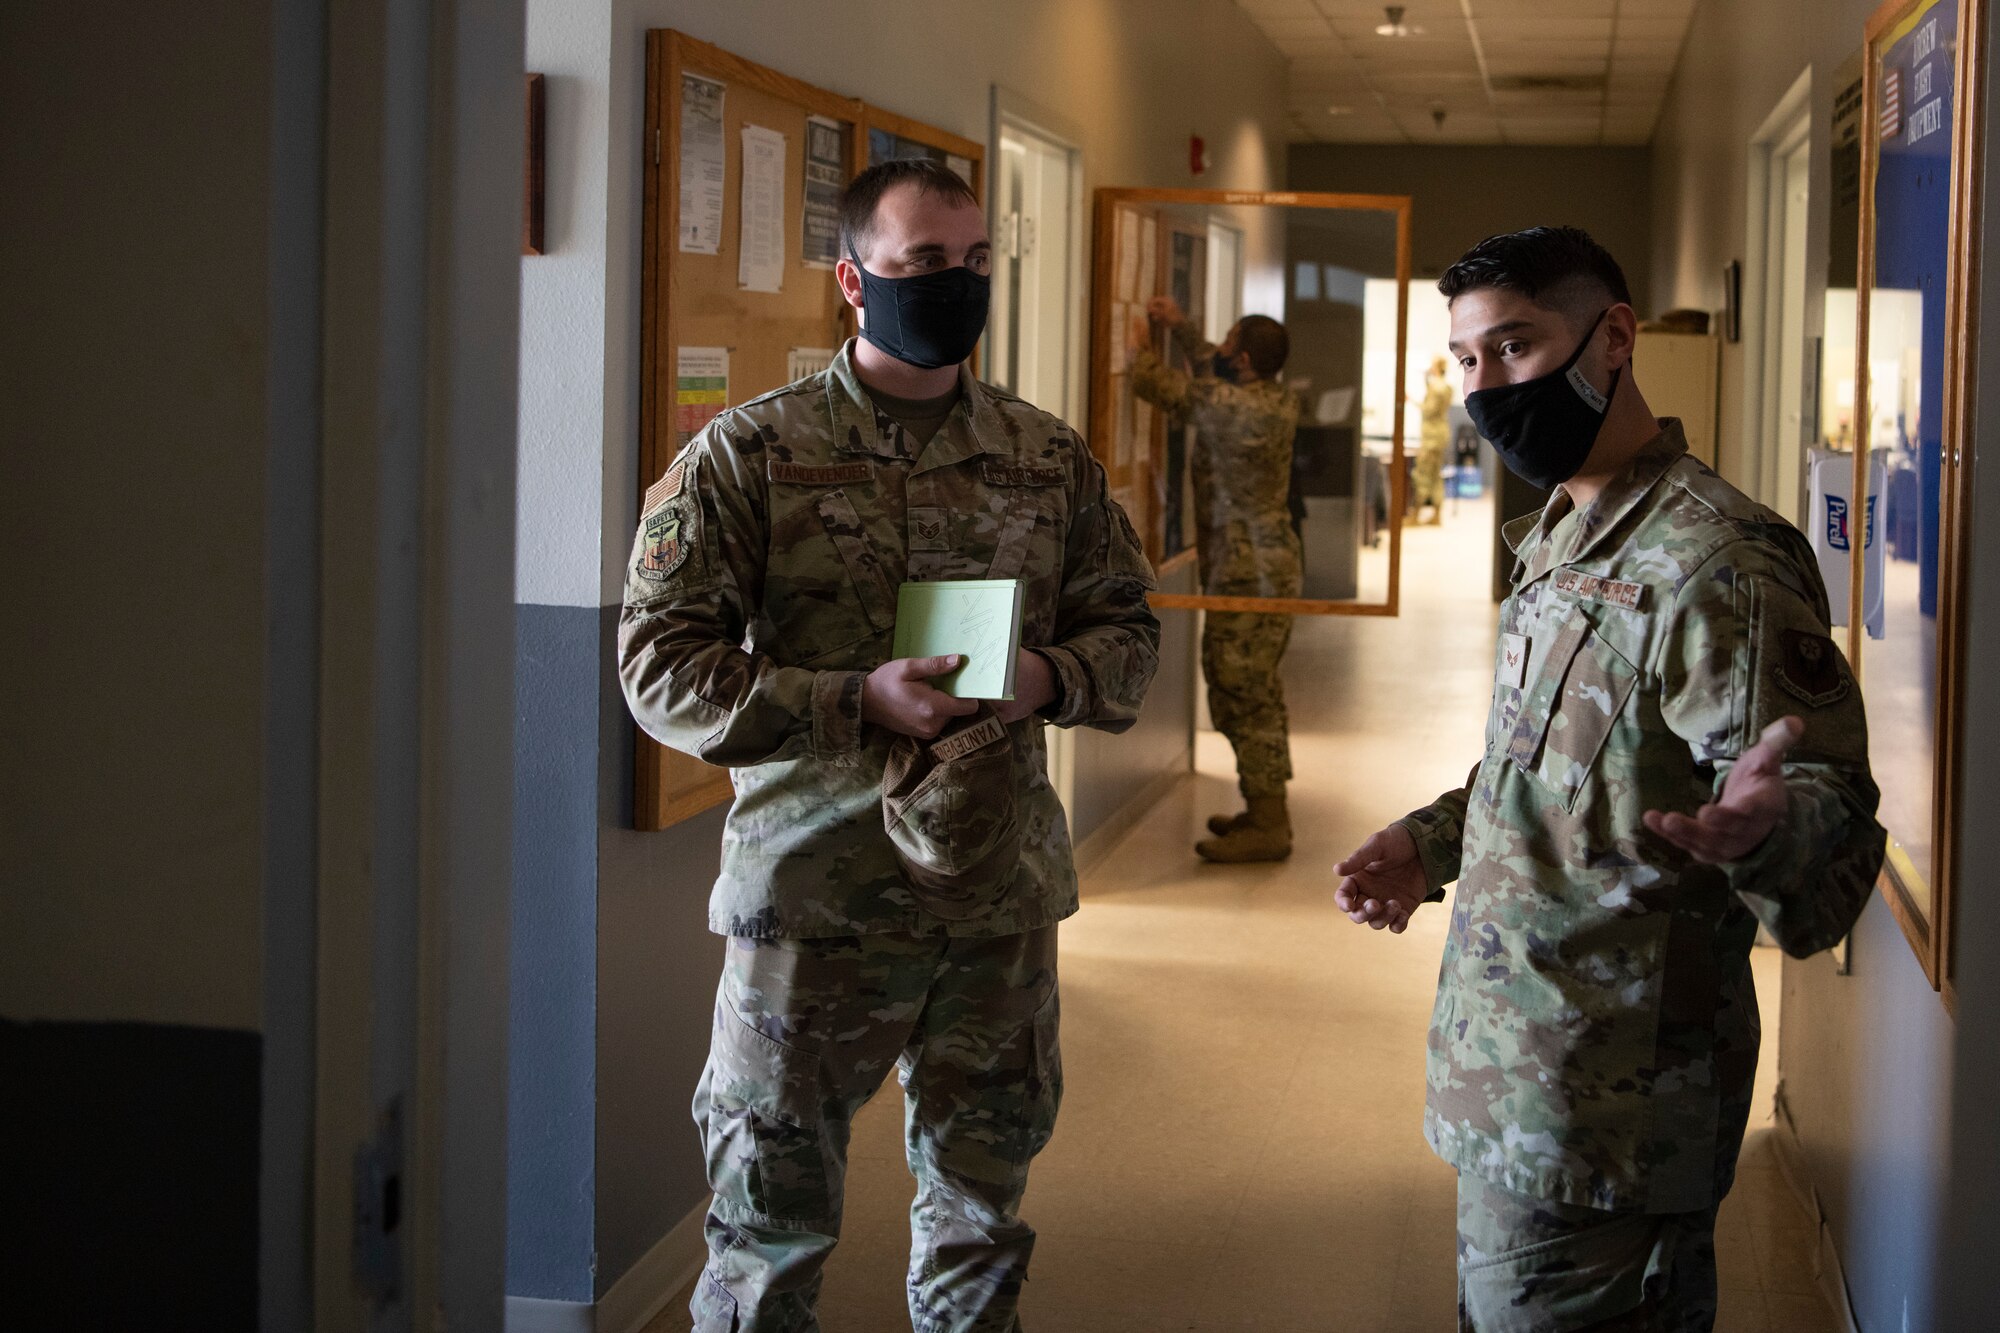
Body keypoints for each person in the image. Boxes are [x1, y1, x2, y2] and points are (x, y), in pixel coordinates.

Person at [618, 157, 1161, 1332]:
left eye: (974, 264)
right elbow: (658, 669)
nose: (955, 286)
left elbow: (1126, 630)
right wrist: (849, 699)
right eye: (923, 264)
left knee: (980, 1213)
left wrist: (1047, 679)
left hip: (994, 896)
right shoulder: (749, 454)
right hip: (816, 898)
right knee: (767, 1227)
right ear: (853, 282)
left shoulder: (1042, 452)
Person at [1330, 227, 1884, 1332]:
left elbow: (1822, 808)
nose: (1486, 388)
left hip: (1609, 1111)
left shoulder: (1716, 560)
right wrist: (1434, 839)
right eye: (1465, 360)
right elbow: (1550, 764)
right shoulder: (1562, 534)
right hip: (1512, 1074)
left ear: (1612, 339)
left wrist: (1765, 828)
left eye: (1515, 347)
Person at [1129, 299, 1301, 862]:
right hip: (1256, 564)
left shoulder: (1233, 406)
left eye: (1228, 345)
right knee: (1246, 686)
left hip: (1252, 571)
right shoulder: (1267, 395)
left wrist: (1135, 334)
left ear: (1245, 360)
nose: (1219, 352)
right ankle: (1263, 809)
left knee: (1243, 690)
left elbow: (1152, 382)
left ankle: (1271, 824)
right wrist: (1182, 327)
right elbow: (1210, 366)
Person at [1415, 356, 1453, 523]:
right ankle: (1436, 514)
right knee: (1436, 475)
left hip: (1431, 437)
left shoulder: (1436, 388)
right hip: (1440, 435)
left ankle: (1415, 514)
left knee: (1422, 474)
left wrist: (1411, 401)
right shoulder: (1446, 387)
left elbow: (1429, 410)